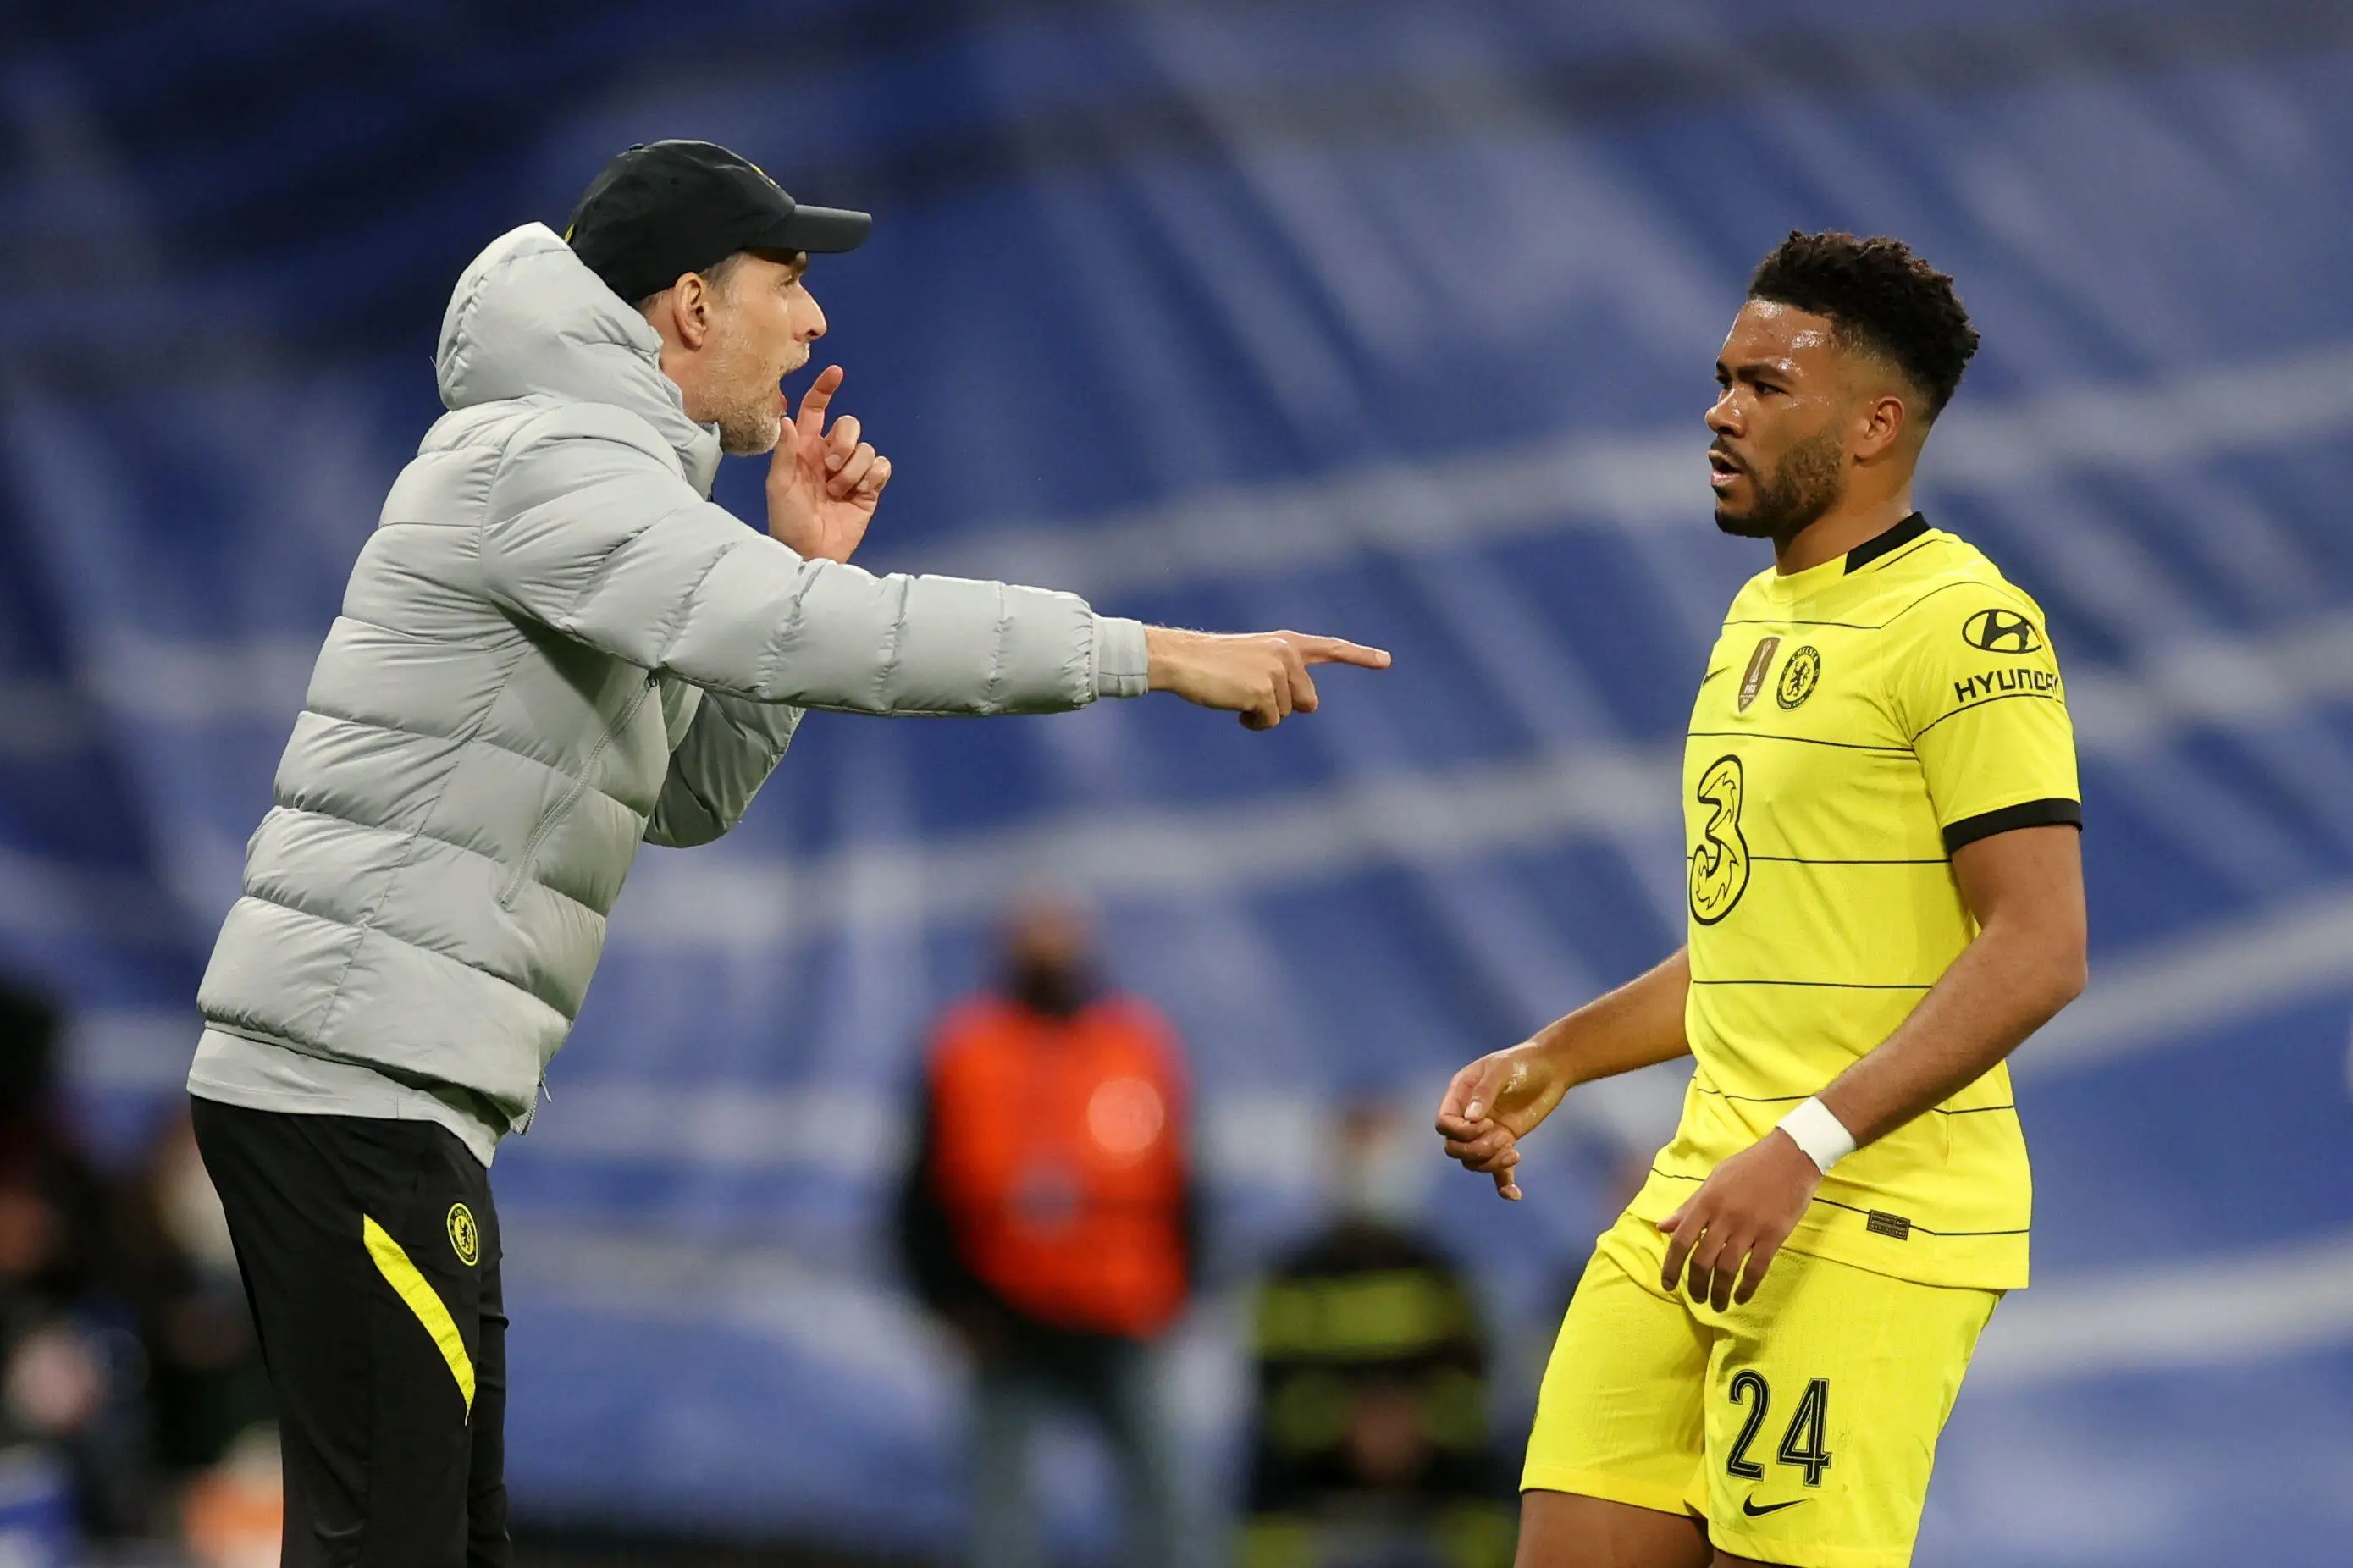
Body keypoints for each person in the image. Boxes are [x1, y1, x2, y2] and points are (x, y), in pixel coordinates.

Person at [184, 138, 1388, 1566]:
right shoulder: (552, 461)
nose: (812, 319)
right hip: (350, 1091)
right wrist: (1159, 652)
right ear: (689, 306)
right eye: (789, 279)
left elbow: (686, 792)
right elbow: (846, 644)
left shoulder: (605, 483)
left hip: (386, 1094)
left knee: (443, 1543)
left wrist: (803, 568)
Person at [1433, 232, 2087, 1568]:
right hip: (1703, 1192)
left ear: (1877, 425)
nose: (1721, 412)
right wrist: (1557, 1056)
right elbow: (1756, 946)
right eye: (1723, 379)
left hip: (1871, 1216)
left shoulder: (1968, 625)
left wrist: (1803, 1150)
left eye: (1766, 386)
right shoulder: (1760, 619)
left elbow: (2041, 950)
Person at [896, 898, 1196, 1568]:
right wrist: (949, 1301)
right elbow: (919, 1192)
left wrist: (1179, 1292)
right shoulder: (965, 1049)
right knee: (998, 1513)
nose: (1050, 956)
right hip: (1005, 1314)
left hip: (1121, 1311)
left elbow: (1182, 1181)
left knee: (1167, 1497)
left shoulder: (1136, 1044)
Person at [1240, 1096, 1516, 1568]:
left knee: (1494, 1477)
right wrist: (1346, 1422)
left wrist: (1413, 1425)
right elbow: (1275, 1384)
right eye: (1358, 1153)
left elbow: (1469, 1378)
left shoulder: (1439, 1272)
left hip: (1426, 1451)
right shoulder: (1295, 1275)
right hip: (1322, 1453)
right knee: (1261, 1478)